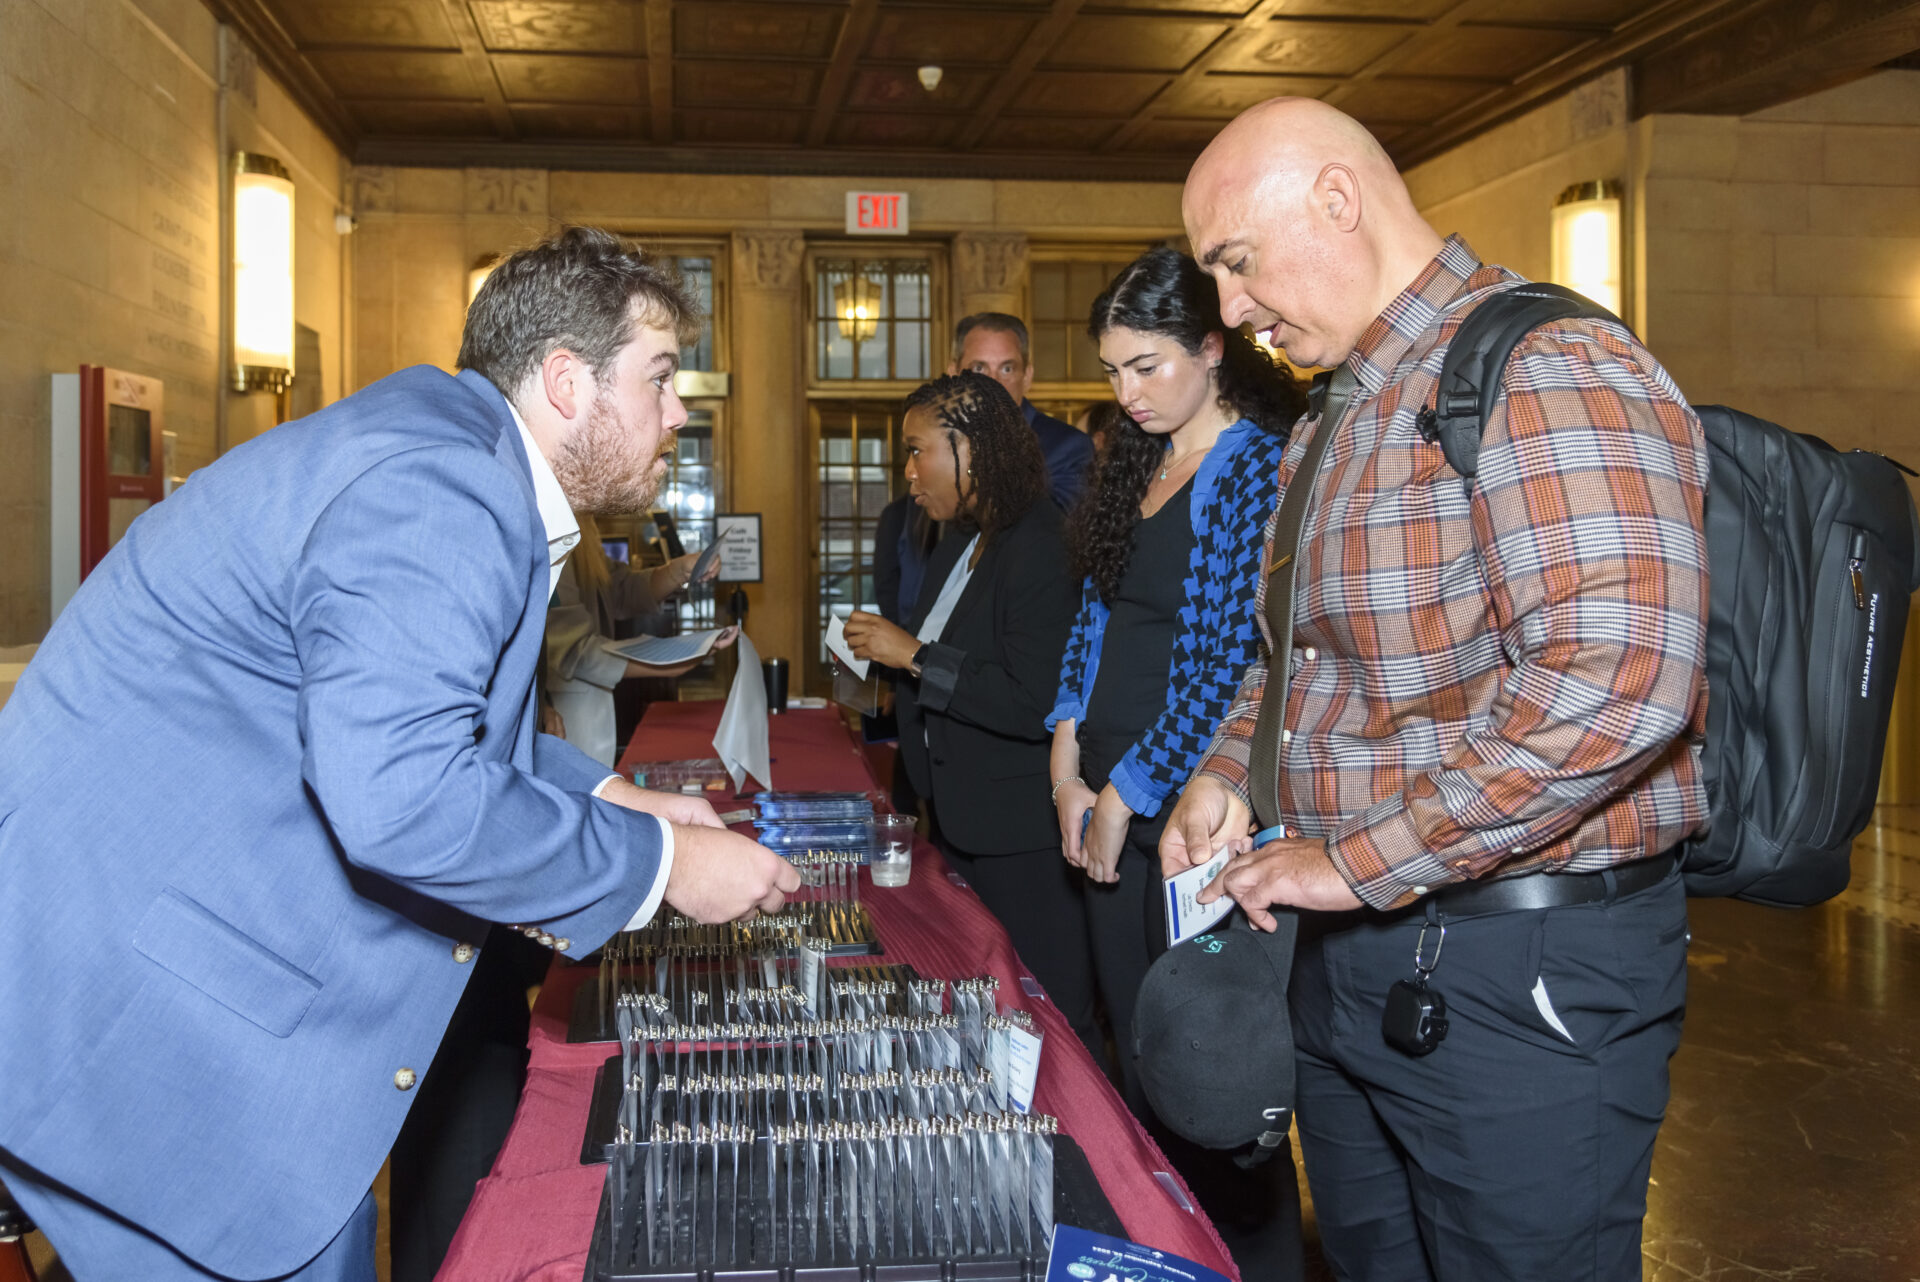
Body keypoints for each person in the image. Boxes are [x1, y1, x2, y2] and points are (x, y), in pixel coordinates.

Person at [0, 226, 799, 1282]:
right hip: (153, 1013)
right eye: (658, 377)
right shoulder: (442, 487)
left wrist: (618, 797)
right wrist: (667, 866)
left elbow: (449, 730)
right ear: (568, 382)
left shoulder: (448, 452)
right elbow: (404, 794)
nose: (680, 410)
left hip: (168, 957)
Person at [1166, 98, 1710, 1282]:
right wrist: (1227, 771)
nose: (1232, 309)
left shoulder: (1545, 365)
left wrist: (1355, 861)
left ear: (1337, 200)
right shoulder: (1336, 413)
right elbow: (1292, 659)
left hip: (1521, 966)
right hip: (1353, 952)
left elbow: (1618, 679)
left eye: (1238, 262)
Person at [1046, 247, 1308, 1274]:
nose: (1128, 393)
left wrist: (1126, 792)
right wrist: (1066, 765)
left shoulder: (1253, 464)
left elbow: (1231, 663)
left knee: (1211, 1073)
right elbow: (1091, 625)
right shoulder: (1136, 463)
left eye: (1147, 366)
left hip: (1191, 803)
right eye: (1113, 371)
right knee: (1138, 1057)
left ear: (1211, 349)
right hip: (1106, 786)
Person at [841, 372, 1097, 1060]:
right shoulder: (961, 540)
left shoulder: (1039, 544)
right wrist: (887, 665)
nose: (908, 472)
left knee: (1048, 1015)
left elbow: (1034, 700)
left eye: (916, 450)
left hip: (1020, 834)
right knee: (983, 1007)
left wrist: (913, 654)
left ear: (970, 450)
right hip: (959, 817)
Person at [545, 513, 733, 768]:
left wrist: (677, 570)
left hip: (590, 708)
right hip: (563, 715)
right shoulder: (550, 528)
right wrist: (666, 664)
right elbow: (572, 651)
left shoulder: (584, 523)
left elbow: (619, 589)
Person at [949, 312, 1096, 511]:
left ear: (1027, 377)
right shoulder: (938, 444)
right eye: (979, 369)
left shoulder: (1068, 448)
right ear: (954, 375)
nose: (994, 384)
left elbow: (1056, 525)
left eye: (1007, 369)